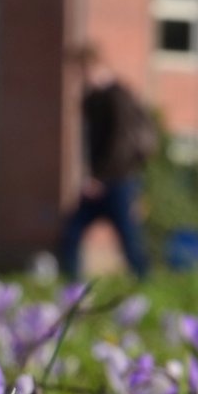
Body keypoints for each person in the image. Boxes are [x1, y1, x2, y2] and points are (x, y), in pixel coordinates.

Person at [56, 42, 151, 281]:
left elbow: (120, 143)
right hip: (98, 181)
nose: (79, 77)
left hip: (119, 181)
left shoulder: (118, 97)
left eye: (81, 71)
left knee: (129, 238)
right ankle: (72, 285)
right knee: (72, 231)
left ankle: (145, 282)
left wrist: (100, 177)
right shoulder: (91, 99)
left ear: (92, 66)